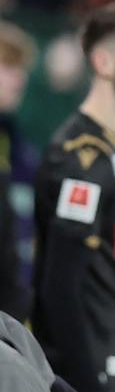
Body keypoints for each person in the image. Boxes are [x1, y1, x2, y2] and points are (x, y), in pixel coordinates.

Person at [32, 1, 115, 392]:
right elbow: (60, 290)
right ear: (103, 62)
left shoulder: (111, 151)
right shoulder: (80, 156)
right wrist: (85, 387)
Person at [0, 19, 39, 321]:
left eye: (21, 69)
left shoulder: (21, 154)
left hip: (16, 315)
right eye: (9, 66)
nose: (20, 79)